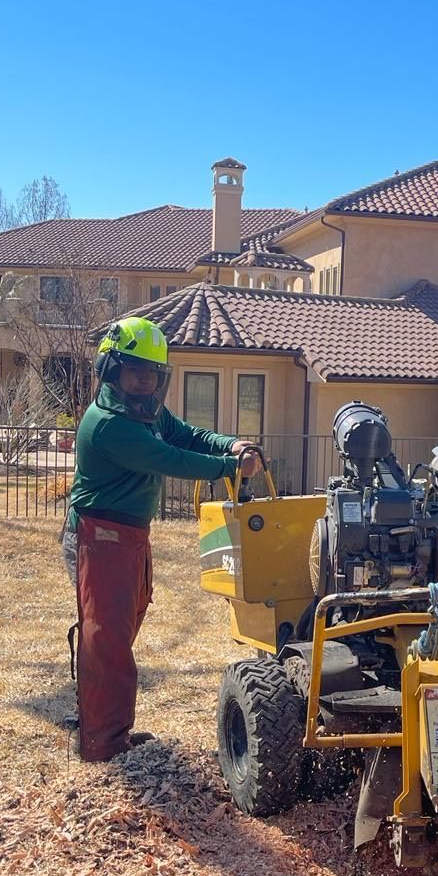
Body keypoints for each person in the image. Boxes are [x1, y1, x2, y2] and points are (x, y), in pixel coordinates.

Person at [63, 316, 262, 761]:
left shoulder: (145, 410)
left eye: (153, 372)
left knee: (120, 630)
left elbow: (185, 434)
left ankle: (102, 726)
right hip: (100, 536)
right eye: (136, 370)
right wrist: (229, 468)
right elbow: (170, 458)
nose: (145, 380)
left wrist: (228, 444)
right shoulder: (109, 424)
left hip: (127, 537)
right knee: (107, 640)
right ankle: (102, 745)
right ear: (112, 370)